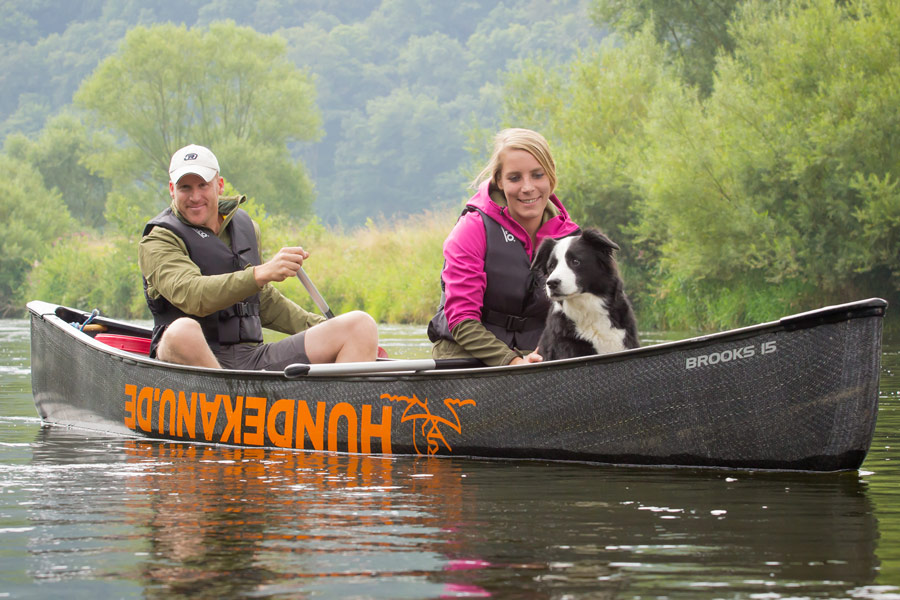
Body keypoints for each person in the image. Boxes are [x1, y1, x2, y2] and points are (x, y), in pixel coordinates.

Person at [139, 143, 379, 370]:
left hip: (252, 359)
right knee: (182, 330)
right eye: (185, 188)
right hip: (187, 358)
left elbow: (261, 301)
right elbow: (192, 295)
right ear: (172, 190)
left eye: (202, 185)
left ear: (219, 185)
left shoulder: (246, 228)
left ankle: (333, 409)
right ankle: (226, 400)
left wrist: (329, 329)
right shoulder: (158, 239)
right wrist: (260, 273)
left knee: (360, 326)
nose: (195, 197)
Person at [427, 128, 581, 366]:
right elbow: (462, 319)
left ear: (551, 177)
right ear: (499, 181)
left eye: (537, 175)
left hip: (539, 353)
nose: (528, 187)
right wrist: (513, 361)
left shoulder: (571, 238)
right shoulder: (472, 229)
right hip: (467, 351)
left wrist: (541, 354)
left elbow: (578, 314)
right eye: (515, 178)